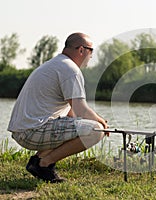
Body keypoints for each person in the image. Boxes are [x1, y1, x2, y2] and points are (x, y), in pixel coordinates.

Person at [7, 32, 109, 183]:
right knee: (96, 130)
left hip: (24, 130)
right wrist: (102, 123)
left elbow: (72, 113)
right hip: (32, 131)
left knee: (83, 126)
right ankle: (44, 164)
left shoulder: (56, 64)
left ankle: (38, 161)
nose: (92, 55)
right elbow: (81, 109)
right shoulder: (70, 70)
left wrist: (87, 121)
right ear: (81, 50)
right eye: (91, 50)